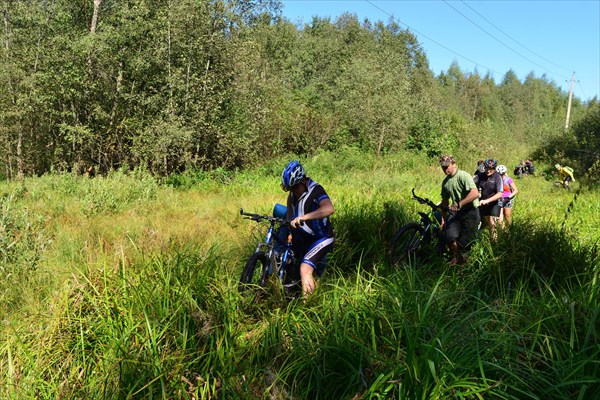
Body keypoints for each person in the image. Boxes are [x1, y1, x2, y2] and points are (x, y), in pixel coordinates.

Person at [281, 160, 335, 297]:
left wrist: (305, 217)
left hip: (323, 237)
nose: (292, 191)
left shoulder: (316, 190)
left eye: (294, 188)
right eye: (290, 189)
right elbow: (289, 216)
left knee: (305, 268)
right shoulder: (292, 195)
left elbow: (329, 209)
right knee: (295, 264)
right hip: (305, 237)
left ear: (303, 182)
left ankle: (308, 306)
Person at [439, 155, 480, 266]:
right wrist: (443, 217)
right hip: (456, 213)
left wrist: (460, 203)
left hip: (470, 211)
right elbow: (445, 201)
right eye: (443, 167)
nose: (445, 169)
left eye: (447, 166)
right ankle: (456, 257)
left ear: (454, 164)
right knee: (450, 236)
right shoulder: (446, 182)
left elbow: (475, 193)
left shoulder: (463, 176)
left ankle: (461, 267)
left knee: (465, 243)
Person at [473, 159, 503, 240]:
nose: (488, 171)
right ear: (484, 167)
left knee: (492, 222)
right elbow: (471, 183)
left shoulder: (497, 177)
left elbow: (500, 193)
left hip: (494, 203)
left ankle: (494, 242)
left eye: (491, 169)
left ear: (494, 169)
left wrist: (487, 200)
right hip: (483, 202)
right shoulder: (481, 176)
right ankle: (481, 239)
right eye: (487, 168)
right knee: (485, 222)